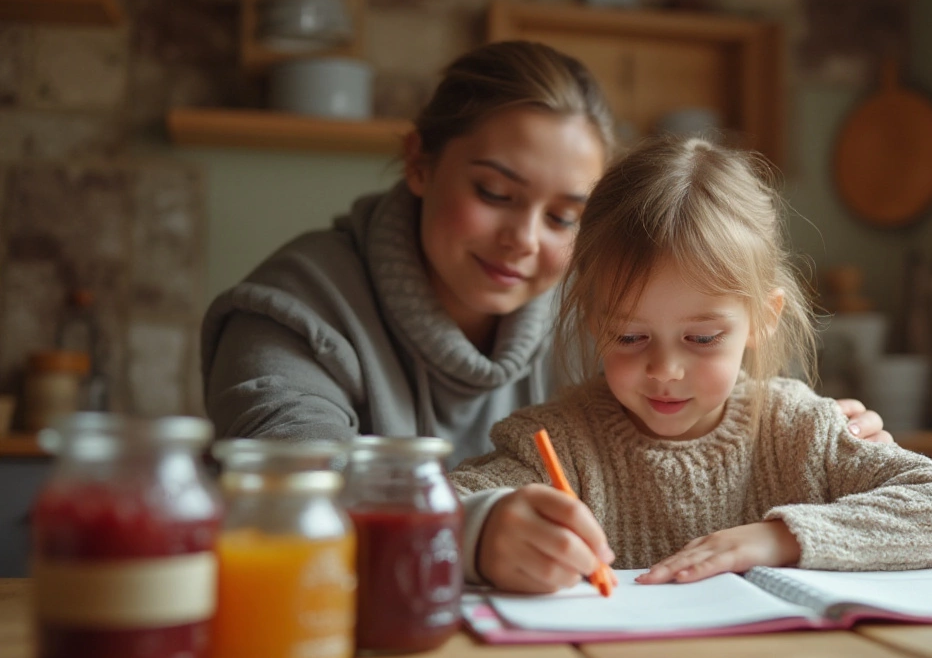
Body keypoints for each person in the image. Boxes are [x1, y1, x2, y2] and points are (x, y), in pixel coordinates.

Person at [201, 41, 893, 469]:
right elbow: (293, 489)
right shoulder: (289, 316)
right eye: (495, 192)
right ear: (418, 162)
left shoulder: (608, 310)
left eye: (567, 216)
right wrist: (483, 528)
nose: (526, 240)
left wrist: (805, 432)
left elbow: (726, 387)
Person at [449, 137, 932, 593]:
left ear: (761, 318)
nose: (665, 369)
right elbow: (422, 511)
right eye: (630, 335)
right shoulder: (559, 445)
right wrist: (482, 529)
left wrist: (774, 538)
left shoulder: (799, 429)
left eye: (702, 338)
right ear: (594, 321)